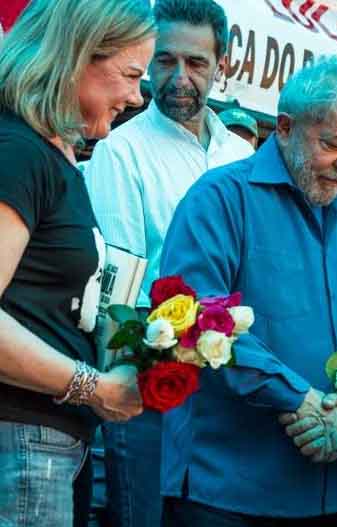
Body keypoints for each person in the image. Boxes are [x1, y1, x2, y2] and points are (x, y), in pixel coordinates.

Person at [157, 55, 337, 526]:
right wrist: (295, 396)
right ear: (284, 127)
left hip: (331, 485)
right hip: (226, 487)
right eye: (334, 144)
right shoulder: (220, 197)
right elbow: (193, 316)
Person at [83, 2, 254, 526]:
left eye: (197, 63)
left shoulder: (240, 155)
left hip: (239, 394)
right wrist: (120, 395)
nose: (180, 78)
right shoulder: (122, 151)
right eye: (165, 61)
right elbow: (118, 295)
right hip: (153, 388)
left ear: (221, 64)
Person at [0, 0, 154, 524]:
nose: (137, 96)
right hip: (21, 442)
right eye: (131, 74)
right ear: (76, 54)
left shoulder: (52, 154)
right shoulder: (18, 151)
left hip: (45, 443)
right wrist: (93, 385)